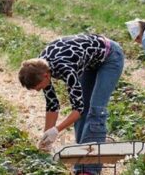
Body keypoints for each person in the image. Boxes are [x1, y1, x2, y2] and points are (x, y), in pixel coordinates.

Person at [18, 34, 124, 175]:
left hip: (110, 56)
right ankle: (82, 159)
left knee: (96, 110)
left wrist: (56, 130)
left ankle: (89, 169)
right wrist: (46, 138)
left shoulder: (66, 68)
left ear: (46, 76)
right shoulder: (40, 67)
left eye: (37, 87)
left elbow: (77, 109)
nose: (38, 90)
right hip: (90, 61)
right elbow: (52, 105)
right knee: (84, 111)